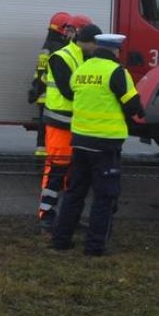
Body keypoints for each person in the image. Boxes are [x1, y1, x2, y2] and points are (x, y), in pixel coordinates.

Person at [51, 33, 144, 256]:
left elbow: (74, 93)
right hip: (105, 144)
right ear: (116, 51)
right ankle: (94, 247)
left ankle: (61, 240)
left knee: (74, 193)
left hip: (80, 141)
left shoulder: (82, 70)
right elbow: (133, 105)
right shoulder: (116, 72)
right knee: (104, 197)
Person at [37, 18, 102, 231]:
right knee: (56, 171)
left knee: (73, 175)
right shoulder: (62, 57)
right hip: (60, 124)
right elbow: (68, 91)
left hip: (76, 125)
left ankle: (66, 218)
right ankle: (46, 214)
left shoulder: (85, 58)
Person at [29, 12, 73, 157]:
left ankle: (41, 155)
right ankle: (51, 158)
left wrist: (35, 88)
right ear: (62, 28)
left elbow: (40, 70)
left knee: (43, 129)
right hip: (53, 97)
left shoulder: (47, 45)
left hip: (42, 94)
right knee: (53, 129)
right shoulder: (61, 47)